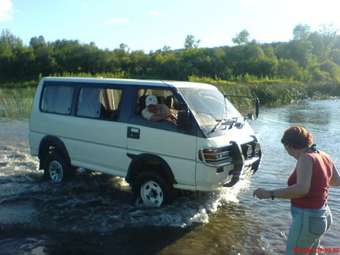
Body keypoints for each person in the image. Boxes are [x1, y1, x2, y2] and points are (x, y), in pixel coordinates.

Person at [253, 125, 340, 255]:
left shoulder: (305, 158)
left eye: (286, 148)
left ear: (289, 145)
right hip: (323, 216)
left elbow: (302, 189)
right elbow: (336, 181)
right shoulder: (323, 155)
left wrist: (269, 194)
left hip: (308, 219)